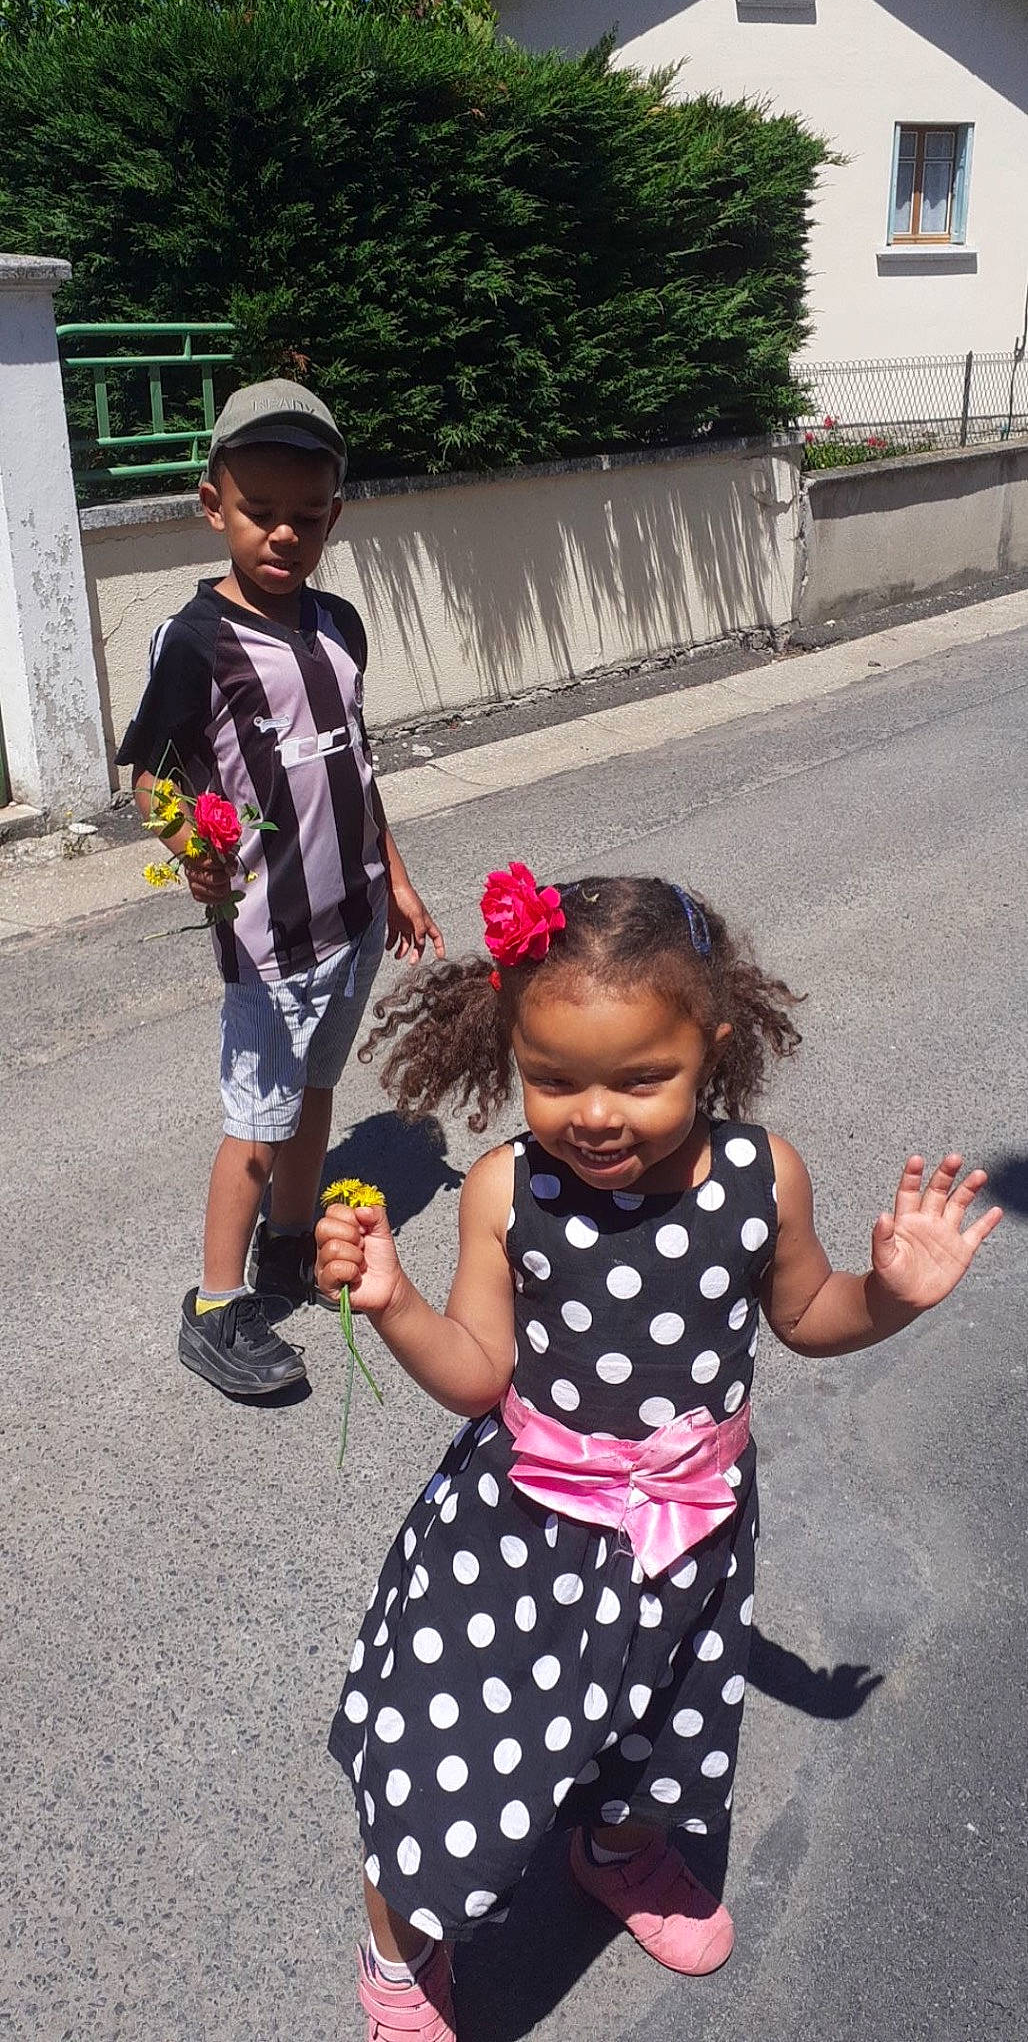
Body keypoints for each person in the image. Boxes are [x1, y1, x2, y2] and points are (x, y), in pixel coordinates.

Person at [313, 864, 1002, 2042]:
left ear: (710, 1047)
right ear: (511, 1050)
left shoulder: (758, 1176)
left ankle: (616, 1848)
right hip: (518, 1547)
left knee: (664, 1722)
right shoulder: (504, 1190)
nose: (595, 1113)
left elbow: (806, 1313)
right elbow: (476, 1372)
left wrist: (889, 1296)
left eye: (642, 1078)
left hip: (689, 1535)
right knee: (451, 1766)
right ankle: (399, 1953)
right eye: (553, 1078)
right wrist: (394, 1301)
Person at [117, 380, 443, 1398]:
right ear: (212, 504)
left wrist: (396, 879)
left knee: (314, 1096)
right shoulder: (195, 641)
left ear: (334, 516)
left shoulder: (339, 622)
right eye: (260, 511)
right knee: (256, 1128)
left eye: (308, 514)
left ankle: (290, 1245)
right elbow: (150, 776)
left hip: (351, 920)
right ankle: (216, 1307)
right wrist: (189, 846)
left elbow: (358, 766)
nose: (285, 534)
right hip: (269, 942)